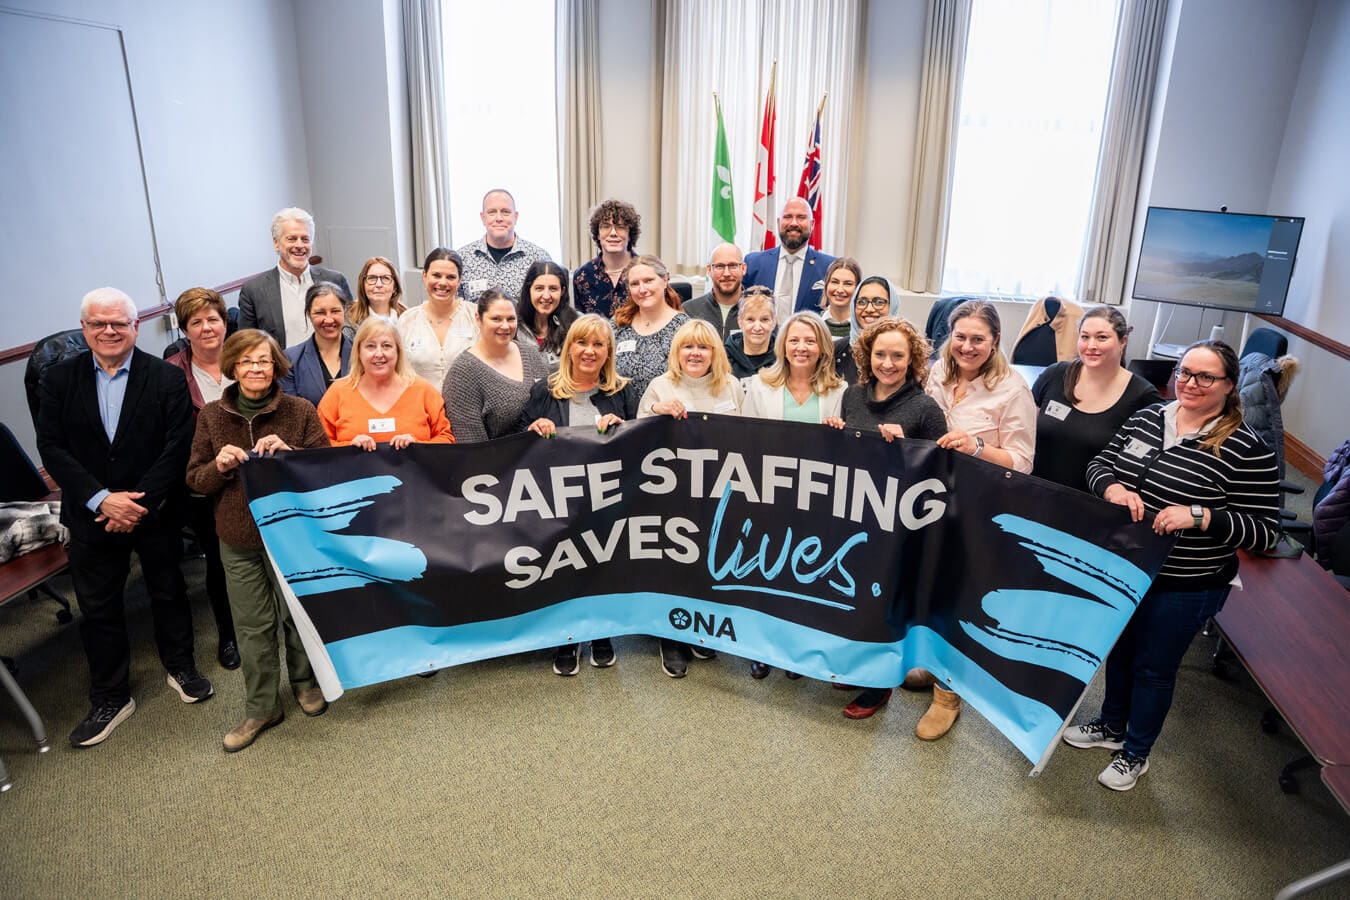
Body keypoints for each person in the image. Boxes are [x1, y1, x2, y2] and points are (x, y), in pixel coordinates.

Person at [1064, 341, 1279, 791]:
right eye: (1185, 372)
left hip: (1187, 581)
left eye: (1206, 377)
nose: (1190, 383)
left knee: (1153, 667)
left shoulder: (1246, 447)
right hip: (1128, 568)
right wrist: (1113, 489)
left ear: (1229, 385)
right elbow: (1100, 463)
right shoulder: (1149, 416)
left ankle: (1136, 752)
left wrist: (1200, 516)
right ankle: (1111, 724)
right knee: (1119, 652)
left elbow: (1264, 532)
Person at [37, 287, 213, 748]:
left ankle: (181, 667)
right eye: (98, 323)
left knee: (168, 590)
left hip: (152, 510)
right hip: (91, 512)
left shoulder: (166, 379)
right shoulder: (58, 381)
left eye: (119, 323)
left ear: (136, 328)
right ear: (84, 329)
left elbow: (177, 447)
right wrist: (100, 499)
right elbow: (51, 448)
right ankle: (110, 696)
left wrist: (135, 504)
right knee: (98, 609)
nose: (109, 331)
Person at [185, 329, 333, 751]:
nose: (256, 368)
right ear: (232, 366)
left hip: (292, 535)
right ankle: (262, 705)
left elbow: (323, 469)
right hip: (238, 536)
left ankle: (306, 683)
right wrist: (220, 465)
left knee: (297, 615)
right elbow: (195, 480)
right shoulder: (212, 416)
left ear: (276, 367)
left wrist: (288, 454)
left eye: (264, 361)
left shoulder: (300, 410)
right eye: (247, 361)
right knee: (252, 624)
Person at [917, 299, 1036, 741]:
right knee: (929, 586)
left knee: (960, 596)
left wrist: (978, 447)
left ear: (995, 341)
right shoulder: (936, 374)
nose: (967, 347)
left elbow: (1023, 462)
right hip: (930, 500)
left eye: (977, 339)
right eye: (960, 337)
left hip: (979, 505)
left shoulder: (1012, 389)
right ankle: (931, 666)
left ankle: (948, 695)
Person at [827, 317, 947, 718]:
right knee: (851, 595)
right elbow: (842, 457)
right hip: (852, 514)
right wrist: (835, 433)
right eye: (881, 354)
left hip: (897, 526)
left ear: (913, 359)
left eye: (898, 355)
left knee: (883, 603)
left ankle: (878, 684)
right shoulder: (852, 396)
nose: (889, 363)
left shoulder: (925, 408)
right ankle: (856, 666)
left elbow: (940, 475)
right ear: (867, 355)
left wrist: (908, 448)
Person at [525, 315, 641, 675]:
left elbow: (644, 444)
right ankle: (567, 635)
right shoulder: (545, 390)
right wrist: (535, 429)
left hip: (608, 498)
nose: (589, 351)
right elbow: (517, 444)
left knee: (603, 566)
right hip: (557, 500)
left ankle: (602, 633)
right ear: (569, 347)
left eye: (598, 345)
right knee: (563, 568)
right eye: (581, 343)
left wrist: (624, 430)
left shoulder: (622, 390)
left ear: (608, 352)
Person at [741, 312, 847, 680]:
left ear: (822, 348)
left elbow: (845, 454)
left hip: (816, 499)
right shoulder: (758, 385)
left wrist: (840, 433)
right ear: (782, 345)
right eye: (794, 340)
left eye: (810, 341)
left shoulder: (839, 391)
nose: (801, 348)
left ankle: (796, 648)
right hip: (769, 496)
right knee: (766, 574)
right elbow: (745, 443)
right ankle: (760, 647)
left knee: (804, 576)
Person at [637, 317, 744, 678]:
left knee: (709, 563)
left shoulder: (731, 387)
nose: (694, 353)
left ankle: (702, 628)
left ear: (715, 353)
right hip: (672, 497)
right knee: (674, 564)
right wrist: (656, 412)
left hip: (719, 496)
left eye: (702, 347)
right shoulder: (659, 386)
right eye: (687, 346)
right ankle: (671, 636)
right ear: (676, 352)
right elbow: (635, 439)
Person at [164, 287, 238, 670]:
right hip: (205, 484)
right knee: (220, 561)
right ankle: (229, 634)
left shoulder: (247, 358)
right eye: (197, 322)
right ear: (185, 329)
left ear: (225, 322)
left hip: (255, 475)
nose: (207, 328)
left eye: (213, 319)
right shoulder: (171, 373)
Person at [1031, 306, 1161, 493]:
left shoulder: (1143, 396)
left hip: (1093, 503)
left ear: (1123, 341)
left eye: (1102, 337)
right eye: (1084, 337)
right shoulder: (1055, 374)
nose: (1091, 345)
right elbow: (1024, 430)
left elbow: (1143, 461)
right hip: (1035, 490)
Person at [319, 318, 455, 450]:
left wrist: (418, 445)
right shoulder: (337, 392)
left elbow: (447, 439)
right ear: (358, 352)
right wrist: (348, 447)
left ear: (398, 351)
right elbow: (317, 446)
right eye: (370, 346)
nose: (379, 353)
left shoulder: (423, 390)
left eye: (386, 346)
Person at [444, 288, 549, 443]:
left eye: (511, 319)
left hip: (546, 457)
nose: (505, 326)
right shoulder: (463, 374)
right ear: (478, 319)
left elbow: (552, 407)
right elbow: (472, 447)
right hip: (496, 464)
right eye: (496, 319)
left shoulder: (531, 355)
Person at [238, 207, 352, 346]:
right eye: (291, 239)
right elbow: (246, 345)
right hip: (283, 366)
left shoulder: (335, 280)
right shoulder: (254, 291)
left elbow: (350, 330)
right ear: (276, 243)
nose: (299, 245)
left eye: (305, 239)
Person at [742, 197, 837, 318]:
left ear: (812, 224)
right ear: (778, 222)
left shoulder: (830, 267)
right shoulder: (753, 263)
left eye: (801, 217)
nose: (794, 223)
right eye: (787, 217)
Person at [611, 254, 690, 399]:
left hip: (664, 416)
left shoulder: (684, 328)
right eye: (635, 284)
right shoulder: (618, 324)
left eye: (648, 281)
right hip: (620, 416)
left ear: (665, 280)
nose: (642, 289)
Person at [399, 248, 478, 388]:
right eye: (436, 275)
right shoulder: (407, 320)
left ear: (459, 280)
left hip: (468, 408)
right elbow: (399, 372)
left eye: (451, 277)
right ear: (424, 276)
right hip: (421, 407)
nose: (442, 282)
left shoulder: (475, 316)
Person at [456, 188, 552, 302]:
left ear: (515, 217)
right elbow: (456, 308)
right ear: (483, 218)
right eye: (492, 212)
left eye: (505, 212)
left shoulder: (538, 258)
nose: (499, 218)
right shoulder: (462, 259)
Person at [279, 282, 354, 407]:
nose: (329, 319)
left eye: (335, 311)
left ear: (344, 310)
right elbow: (292, 412)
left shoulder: (363, 354)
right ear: (308, 314)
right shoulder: (290, 359)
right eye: (320, 313)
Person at [573, 198, 641, 317]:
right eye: (606, 226)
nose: (613, 233)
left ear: (630, 235)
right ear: (597, 234)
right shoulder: (582, 276)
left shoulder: (648, 271)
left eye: (620, 227)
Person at [834, 275, 900, 385]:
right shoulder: (836, 351)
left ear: (892, 305)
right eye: (862, 302)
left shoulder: (905, 350)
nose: (869, 309)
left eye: (879, 302)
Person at [517, 260, 578, 371]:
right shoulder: (513, 324)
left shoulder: (577, 324)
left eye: (553, 289)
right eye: (539, 288)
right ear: (529, 289)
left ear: (563, 291)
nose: (546, 296)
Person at [684, 243, 746, 341]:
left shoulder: (759, 310)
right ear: (709, 270)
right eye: (719, 266)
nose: (726, 273)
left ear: (743, 268)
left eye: (733, 266)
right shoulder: (689, 311)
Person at [724, 287, 778, 382]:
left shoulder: (783, 359)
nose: (757, 327)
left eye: (764, 319)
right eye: (750, 320)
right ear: (740, 322)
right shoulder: (723, 358)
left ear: (774, 322)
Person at [350, 256, 406, 327]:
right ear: (363, 284)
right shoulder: (349, 320)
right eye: (372, 278)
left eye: (385, 278)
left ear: (395, 287)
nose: (379, 284)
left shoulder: (408, 318)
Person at [819, 257, 862, 339]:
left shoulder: (864, 328)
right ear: (826, 285)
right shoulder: (813, 324)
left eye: (848, 284)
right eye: (835, 282)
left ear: (858, 289)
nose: (840, 290)